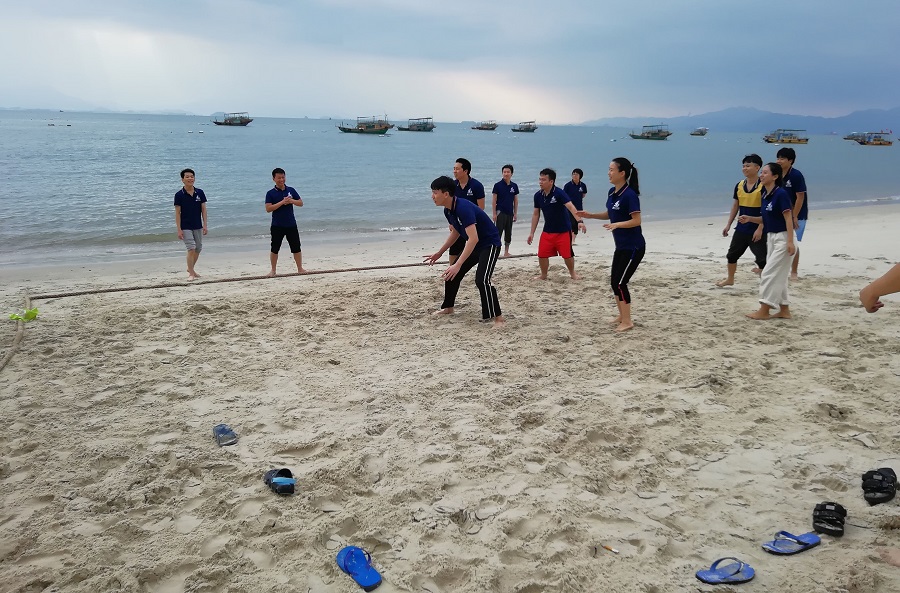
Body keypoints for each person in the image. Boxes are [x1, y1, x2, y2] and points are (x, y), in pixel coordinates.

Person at [424, 175, 505, 328]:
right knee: (451, 275)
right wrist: (440, 253)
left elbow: (473, 239)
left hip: (489, 244)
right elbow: (456, 232)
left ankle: (499, 319)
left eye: (435, 192)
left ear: (446, 194)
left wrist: (458, 264)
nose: (432, 196)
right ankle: (448, 308)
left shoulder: (463, 208)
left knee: (482, 280)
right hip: (476, 244)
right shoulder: (448, 210)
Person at [579, 158, 645, 332]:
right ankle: (622, 315)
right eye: (608, 169)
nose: (608, 173)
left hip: (634, 247)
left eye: (611, 170)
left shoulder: (630, 195)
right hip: (621, 246)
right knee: (614, 282)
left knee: (622, 283)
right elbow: (610, 213)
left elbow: (636, 220)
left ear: (622, 173)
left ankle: (628, 321)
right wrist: (590, 215)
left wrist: (618, 225)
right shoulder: (612, 192)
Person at [743, 163, 795, 320]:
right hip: (771, 237)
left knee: (768, 273)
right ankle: (784, 310)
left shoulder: (781, 194)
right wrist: (750, 218)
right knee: (779, 276)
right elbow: (766, 219)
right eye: (762, 172)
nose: (761, 175)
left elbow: (788, 218)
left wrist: (790, 241)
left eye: (765, 173)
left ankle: (764, 309)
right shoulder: (765, 194)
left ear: (775, 176)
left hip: (783, 238)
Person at [716, 154, 766, 287]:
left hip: (757, 228)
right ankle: (730, 279)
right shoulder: (739, 185)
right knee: (732, 255)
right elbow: (735, 206)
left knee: (762, 259)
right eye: (743, 166)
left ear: (757, 168)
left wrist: (760, 228)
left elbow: (766, 210)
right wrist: (728, 224)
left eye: (748, 166)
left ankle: (765, 282)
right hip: (741, 228)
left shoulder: (763, 186)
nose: (745, 168)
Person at [527, 168, 586, 280]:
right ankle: (543, 275)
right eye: (540, 179)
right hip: (548, 230)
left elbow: (571, 207)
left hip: (563, 230)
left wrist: (579, 221)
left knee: (567, 255)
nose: (540, 182)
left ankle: (573, 273)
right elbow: (536, 214)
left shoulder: (559, 193)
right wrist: (532, 233)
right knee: (542, 254)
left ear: (551, 181)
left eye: (543, 180)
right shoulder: (538, 195)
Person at [264, 167, 306, 277]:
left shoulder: (291, 190)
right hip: (277, 225)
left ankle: (300, 268)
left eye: (283, 177)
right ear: (274, 179)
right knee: (275, 248)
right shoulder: (270, 193)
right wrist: (282, 202)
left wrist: (291, 201)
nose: (281, 180)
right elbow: (268, 209)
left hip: (291, 224)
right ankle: (273, 270)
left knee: (296, 247)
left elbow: (300, 203)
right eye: (279, 178)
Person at [776, 147, 808, 280]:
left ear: (790, 161)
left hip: (797, 214)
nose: (779, 161)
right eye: (778, 158)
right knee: (780, 241)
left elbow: (800, 197)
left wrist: (794, 216)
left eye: (782, 159)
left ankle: (794, 271)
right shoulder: (776, 174)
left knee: (793, 242)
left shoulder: (796, 175)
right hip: (781, 213)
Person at [449, 158, 486, 264]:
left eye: (457, 169)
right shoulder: (452, 186)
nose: (454, 171)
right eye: (454, 168)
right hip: (458, 224)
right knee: (454, 249)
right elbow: (449, 206)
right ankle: (451, 270)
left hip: (472, 223)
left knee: (475, 249)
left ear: (466, 171)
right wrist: (451, 222)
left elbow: (481, 207)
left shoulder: (476, 186)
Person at [173, 168, 208, 281]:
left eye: (192, 176)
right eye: (187, 177)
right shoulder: (179, 195)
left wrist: (205, 225)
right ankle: (191, 274)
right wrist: (179, 229)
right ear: (182, 179)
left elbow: (204, 210)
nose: (190, 178)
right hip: (185, 226)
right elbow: (177, 213)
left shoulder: (200, 192)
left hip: (198, 225)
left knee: (198, 248)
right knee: (191, 248)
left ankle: (190, 268)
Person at [491, 164, 519, 257]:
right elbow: (494, 200)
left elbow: (515, 201)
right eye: (504, 172)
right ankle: (495, 251)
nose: (506, 174)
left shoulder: (514, 186)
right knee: (498, 233)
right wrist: (494, 214)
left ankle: (506, 252)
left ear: (511, 173)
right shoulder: (497, 185)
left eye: (508, 172)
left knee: (508, 233)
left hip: (510, 213)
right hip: (500, 212)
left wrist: (515, 213)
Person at [563, 168, 588, 243]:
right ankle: (569, 239)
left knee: (577, 222)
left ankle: (573, 239)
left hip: (579, 207)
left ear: (580, 176)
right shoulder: (568, 185)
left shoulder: (583, 185)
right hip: (569, 208)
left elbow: (583, 194)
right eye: (573, 174)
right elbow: (563, 196)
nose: (574, 176)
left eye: (576, 174)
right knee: (571, 222)